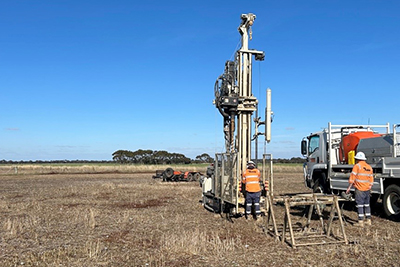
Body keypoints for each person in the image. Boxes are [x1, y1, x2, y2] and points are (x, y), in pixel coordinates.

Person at [345, 151, 374, 227]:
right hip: (367, 189)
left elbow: (353, 177)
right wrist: (369, 186)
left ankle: (360, 221)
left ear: (357, 159)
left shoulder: (357, 166)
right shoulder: (369, 167)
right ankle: (368, 220)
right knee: (367, 204)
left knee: (360, 205)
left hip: (359, 188)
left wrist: (349, 188)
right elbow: (371, 178)